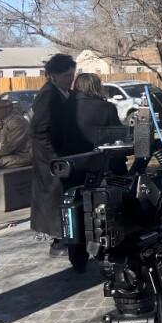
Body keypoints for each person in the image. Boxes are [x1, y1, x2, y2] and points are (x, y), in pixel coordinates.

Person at [56, 73, 126, 272]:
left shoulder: (62, 109)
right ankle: (105, 250)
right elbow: (117, 139)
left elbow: (54, 136)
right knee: (102, 208)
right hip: (100, 167)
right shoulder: (106, 108)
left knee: (72, 210)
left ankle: (77, 258)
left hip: (70, 166)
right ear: (96, 86)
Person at [30, 53, 76, 257]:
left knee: (64, 197)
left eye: (72, 75)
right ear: (53, 76)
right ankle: (58, 242)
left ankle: (65, 237)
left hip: (61, 156)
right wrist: (55, 155)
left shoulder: (64, 93)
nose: (70, 79)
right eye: (67, 75)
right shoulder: (48, 95)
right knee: (55, 199)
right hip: (51, 159)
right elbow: (39, 129)